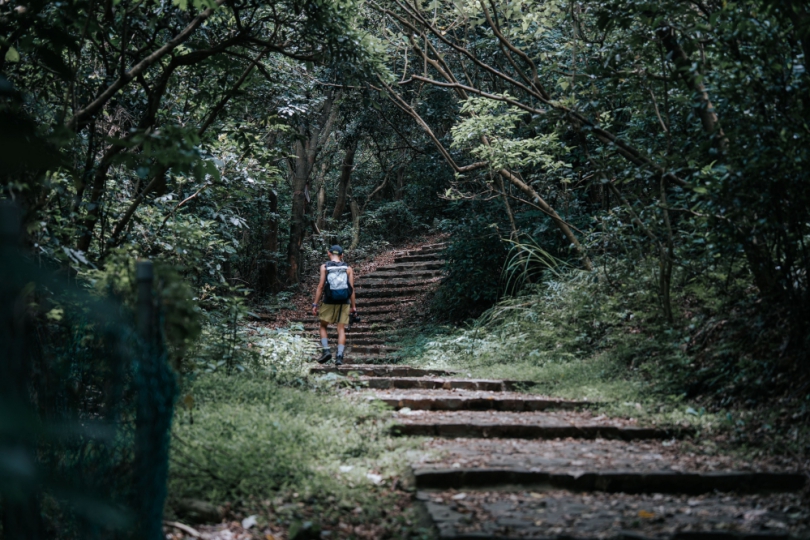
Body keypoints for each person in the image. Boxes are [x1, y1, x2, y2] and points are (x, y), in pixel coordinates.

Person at [311, 245, 357, 365]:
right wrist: (354, 307)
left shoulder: (325, 267)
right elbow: (351, 289)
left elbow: (321, 286)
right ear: (342, 255)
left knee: (323, 326)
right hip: (344, 302)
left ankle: (326, 351)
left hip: (329, 300)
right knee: (340, 329)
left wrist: (315, 304)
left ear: (328, 253)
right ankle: (339, 356)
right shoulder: (348, 268)